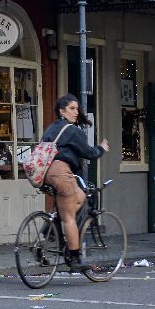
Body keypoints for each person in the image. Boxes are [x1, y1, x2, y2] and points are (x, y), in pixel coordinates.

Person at [42, 94, 109, 271]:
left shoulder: (51, 129)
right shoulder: (71, 130)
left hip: (45, 174)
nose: (76, 112)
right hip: (61, 173)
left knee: (79, 196)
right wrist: (101, 148)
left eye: (77, 108)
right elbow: (89, 152)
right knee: (69, 217)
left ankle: (51, 226)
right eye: (71, 108)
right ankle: (74, 259)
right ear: (61, 111)